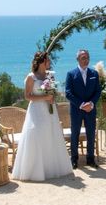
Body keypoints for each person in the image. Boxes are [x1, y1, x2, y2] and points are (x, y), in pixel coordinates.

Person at [11, 51, 73, 181]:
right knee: (37, 134)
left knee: (50, 134)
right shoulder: (31, 77)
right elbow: (27, 96)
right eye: (48, 60)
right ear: (41, 62)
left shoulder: (50, 76)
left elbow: (53, 93)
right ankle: (35, 170)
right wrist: (45, 97)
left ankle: (50, 168)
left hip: (49, 110)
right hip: (36, 110)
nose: (50, 62)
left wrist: (52, 98)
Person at [65, 49, 101, 169]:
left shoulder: (94, 74)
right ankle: (74, 159)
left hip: (90, 110)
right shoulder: (71, 74)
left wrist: (91, 104)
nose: (86, 60)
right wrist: (81, 105)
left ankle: (90, 159)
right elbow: (68, 93)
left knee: (91, 134)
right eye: (83, 58)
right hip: (76, 110)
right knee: (75, 134)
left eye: (87, 57)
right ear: (78, 60)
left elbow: (98, 91)